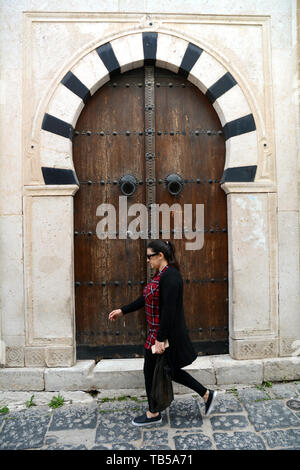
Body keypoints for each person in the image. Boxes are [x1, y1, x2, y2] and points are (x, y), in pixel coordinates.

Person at [108, 239, 217, 426]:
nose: (148, 260)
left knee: (150, 371)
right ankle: (207, 395)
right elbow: (146, 298)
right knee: (171, 371)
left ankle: (153, 413)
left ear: (161, 255)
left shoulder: (171, 277)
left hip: (163, 335)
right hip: (158, 333)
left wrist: (160, 339)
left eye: (150, 256)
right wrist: (123, 310)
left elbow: (169, 311)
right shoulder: (161, 275)